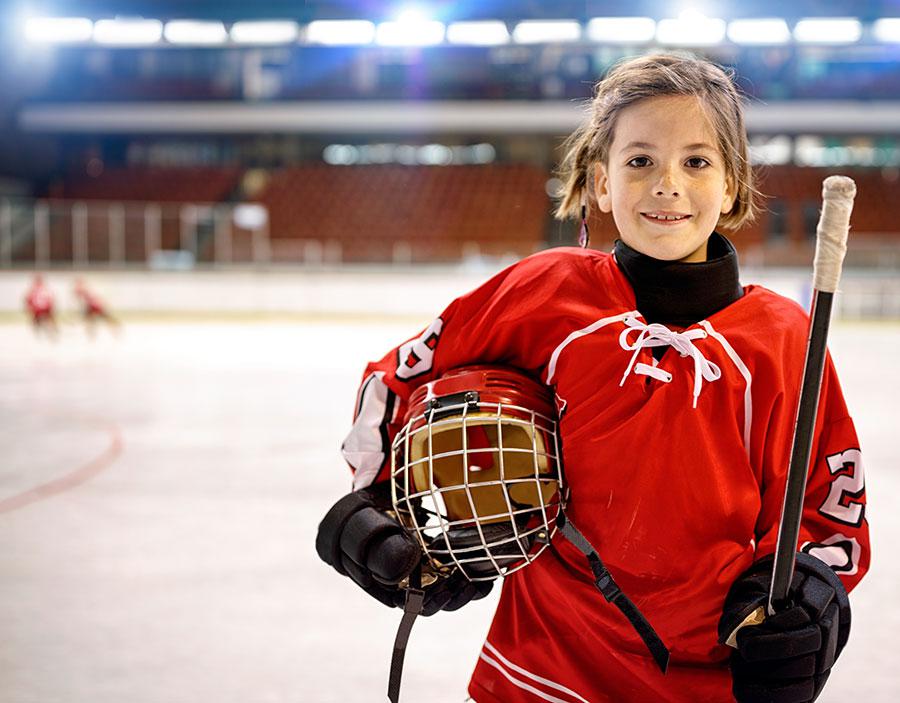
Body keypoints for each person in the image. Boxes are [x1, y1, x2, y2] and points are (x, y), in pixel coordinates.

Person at [316, 53, 870, 703]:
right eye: (639, 161)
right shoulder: (545, 294)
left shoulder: (786, 339)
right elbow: (397, 380)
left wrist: (809, 591)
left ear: (732, 186)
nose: (667, 183)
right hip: (543, 669)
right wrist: (378, 508)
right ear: (601, 183)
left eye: (696, 161)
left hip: (709, 680)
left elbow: (829, 510)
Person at [24, 274, 58, 338]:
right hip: (45, 307)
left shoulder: (33, 289)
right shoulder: (45, 288)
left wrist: (29, 308)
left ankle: (38, 331)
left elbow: (28, 299)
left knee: (36, 319)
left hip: (38, 308)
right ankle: (53, 330)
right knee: (50, 319)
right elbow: (51, 298)